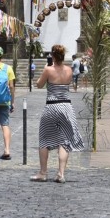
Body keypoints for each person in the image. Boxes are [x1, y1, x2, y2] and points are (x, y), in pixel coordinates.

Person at [31, 44, 84, 183]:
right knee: (64, 141)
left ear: (53, 56)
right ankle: (61, 174)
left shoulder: (48, 70)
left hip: (52, 107)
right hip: (66, 107)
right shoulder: (69, 70)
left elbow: (39, 85)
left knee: (44, 140)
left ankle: (43, 173)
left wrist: (45, 71)